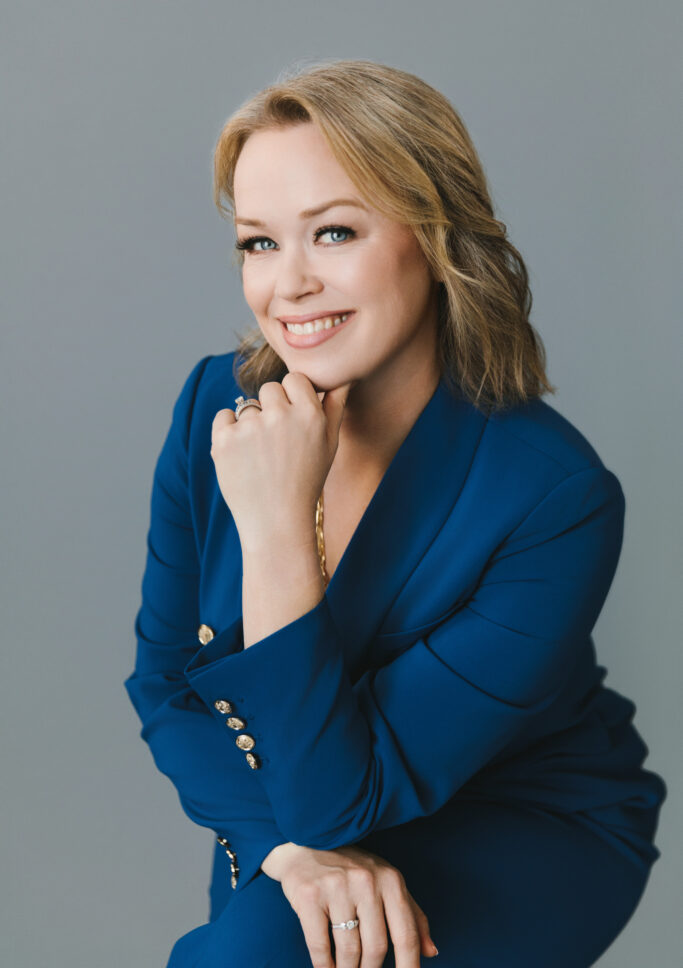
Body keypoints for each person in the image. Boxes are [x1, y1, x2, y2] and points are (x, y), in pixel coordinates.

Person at [123, 59, 667, 967]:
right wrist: (285, 852)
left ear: (436, 237)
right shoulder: (215, 408)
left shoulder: (552, 496)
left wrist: (276, 525)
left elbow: (339, 800)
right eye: (259, 243)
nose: (288, 285)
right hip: (293, 806)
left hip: (517, 818)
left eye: (333, 232)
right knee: (254, 944)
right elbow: (166, 682)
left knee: (250, 954)